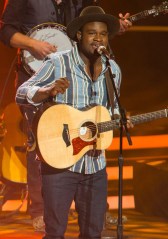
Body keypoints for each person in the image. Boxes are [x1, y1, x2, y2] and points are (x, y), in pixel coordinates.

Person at [0, 0, 132, 232]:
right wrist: (45, 90)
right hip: (57, 154)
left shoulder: (114, 70)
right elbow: (6, 31)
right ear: (80, 35)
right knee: (37, 143)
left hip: (94, 164)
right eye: (92, 33)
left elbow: (108, 110)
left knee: (92, 232)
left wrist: (118, 120)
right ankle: (39, 209)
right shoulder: (58, 64)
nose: (98, 38)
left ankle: (97, 209)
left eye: (103, 34)